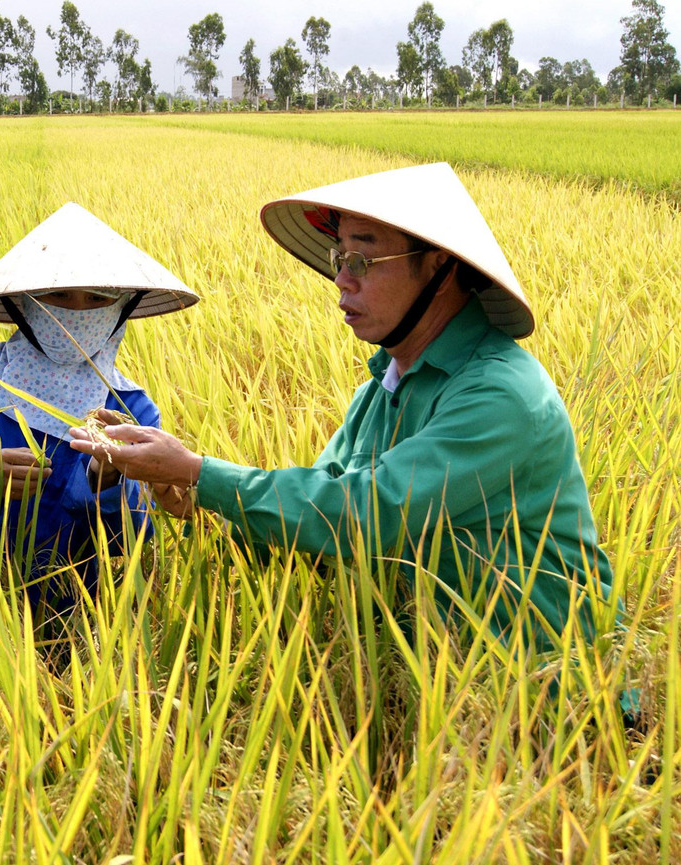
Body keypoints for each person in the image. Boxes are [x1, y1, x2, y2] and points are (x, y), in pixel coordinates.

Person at [70, 163, 614, 646]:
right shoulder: (381, 391)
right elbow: (316, 517)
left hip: (549, 689)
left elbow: (363, 512)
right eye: (339, 257)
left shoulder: (501, 396)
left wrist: (197, 471)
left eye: (362, 259)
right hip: (436, 670)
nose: (341, 280)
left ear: (440, 267)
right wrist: (189, 496)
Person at [0, 202, 199, 610]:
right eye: (57, 296)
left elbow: (131, 539)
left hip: (81, 611)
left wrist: (104, 480)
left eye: (98, 298)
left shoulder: (130, 409)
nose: (75, 312)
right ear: (23, 302)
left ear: (122, 309)